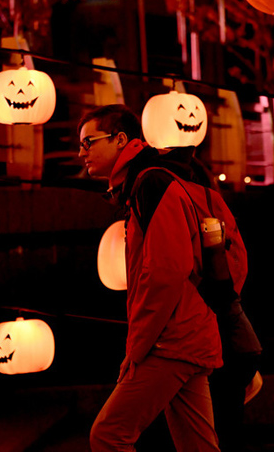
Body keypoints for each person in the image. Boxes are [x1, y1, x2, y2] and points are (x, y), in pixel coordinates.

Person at [79, 104, 222, 452]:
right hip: (188, 332)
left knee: (108, 435)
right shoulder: (147, 182)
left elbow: (166, 272)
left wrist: (137, 348)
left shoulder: (150, 184)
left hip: (171, 340)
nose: (81, 153)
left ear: (120, 139)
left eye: (88, 142)